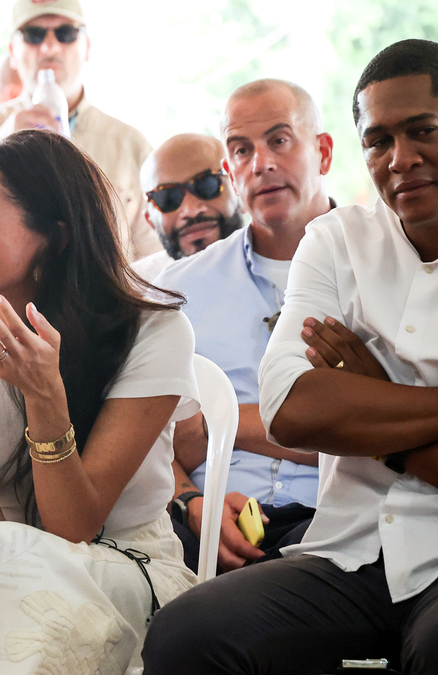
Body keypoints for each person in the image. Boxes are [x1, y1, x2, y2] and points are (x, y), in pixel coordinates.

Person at [143, 39, 438, 674]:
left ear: (321, 152)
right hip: (347, 550)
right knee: (186, 634)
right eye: (380, 141)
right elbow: (290, 409)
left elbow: (316, 418)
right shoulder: (337, 243)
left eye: (423, 132)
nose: (401, 159)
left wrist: (369, 397)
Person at [0, 129, 199, 674]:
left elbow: (74, 528)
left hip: (125, 564)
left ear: (53, 238)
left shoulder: (152, 332)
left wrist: (43, 397)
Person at [155, 80, 334, 574]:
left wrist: (220, 424)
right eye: (241, 149)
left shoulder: (381, 266)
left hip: (339, 523)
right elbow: (147, 436)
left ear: (322, 152)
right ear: (232, 174)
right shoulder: (178, 290)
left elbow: (374, 436)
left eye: (279, 140)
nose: (261, 163)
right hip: (199, 525)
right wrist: (191, 500)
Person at [0, 0, 160, 262]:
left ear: (87, 47)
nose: (49, 47)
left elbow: (154, 261)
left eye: (65, 33)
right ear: (12, 50)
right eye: (33, 35)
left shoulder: (128, 144)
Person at [131, 133, 244, 280]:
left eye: (207, 185)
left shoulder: (282, 270)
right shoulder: (136, 291)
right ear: (150, 221)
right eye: (167, 197)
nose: (191, 211)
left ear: (241, 192)